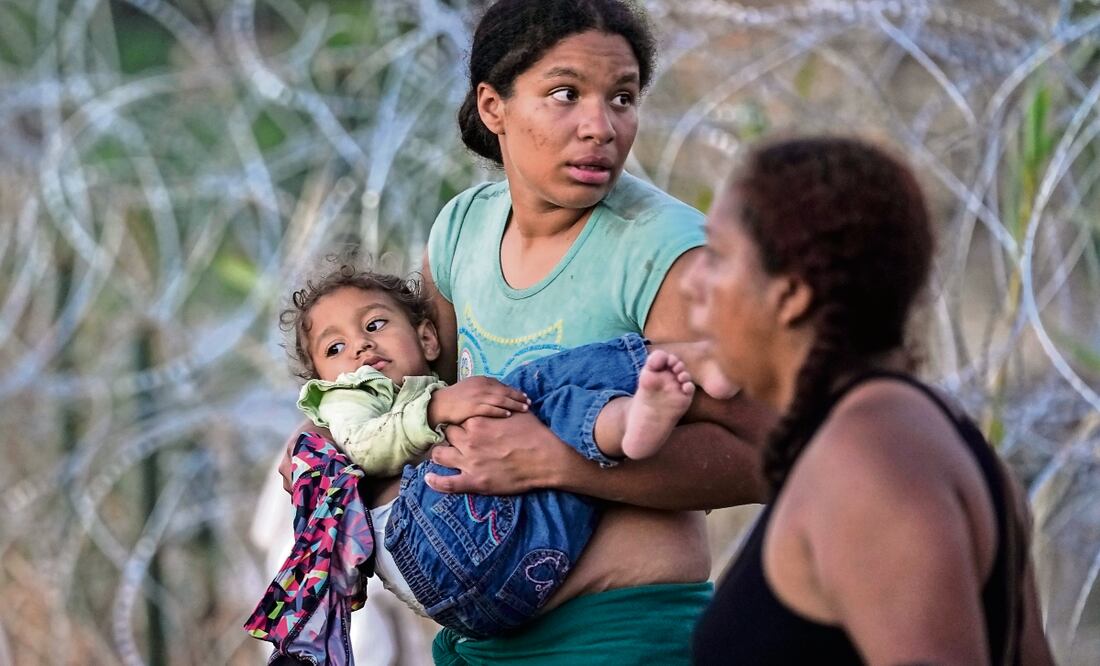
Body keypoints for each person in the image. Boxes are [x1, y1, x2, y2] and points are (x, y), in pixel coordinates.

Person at [277, 0, 769, 663]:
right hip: (484, 636)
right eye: (566, 94)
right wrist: (329, 436)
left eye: (622, 98)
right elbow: (420, 399)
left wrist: (558, 463)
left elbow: (764, 458)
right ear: (494, 106)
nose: (600, 127)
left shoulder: (665, 251)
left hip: (619, 633)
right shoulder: (462, 231)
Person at [686, 137, 1053, 665]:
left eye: (717, 257)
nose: (692, 284)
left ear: (791, 295)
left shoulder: (869, 464)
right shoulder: (911, 434)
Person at [264, 264, 714, 641]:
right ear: (322, 385)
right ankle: (671, 370)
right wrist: (437, 408)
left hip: (499, 586)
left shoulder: (425, 392)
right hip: (426, 539)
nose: (360, 346)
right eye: (335, 348)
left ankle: (629, 423)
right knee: (524, 390)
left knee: (543, 426)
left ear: (427, 340)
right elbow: (365, 446)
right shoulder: (349, 400)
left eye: (375, 325)